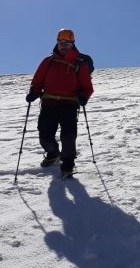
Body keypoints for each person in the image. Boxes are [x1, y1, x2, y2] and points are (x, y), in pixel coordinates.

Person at [26, 28, 94, 175]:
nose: (63, 46)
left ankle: (68, 164)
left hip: (69, 105)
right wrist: (33, 93)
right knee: (44, 135)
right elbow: (38, 81)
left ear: (73, 44)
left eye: (67, 43)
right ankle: (53, 153)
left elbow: (87, 87)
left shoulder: (80, 64)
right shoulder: (48, 62)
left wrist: (84, 96)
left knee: (68, 136)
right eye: (60, 42)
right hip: (48, 104)